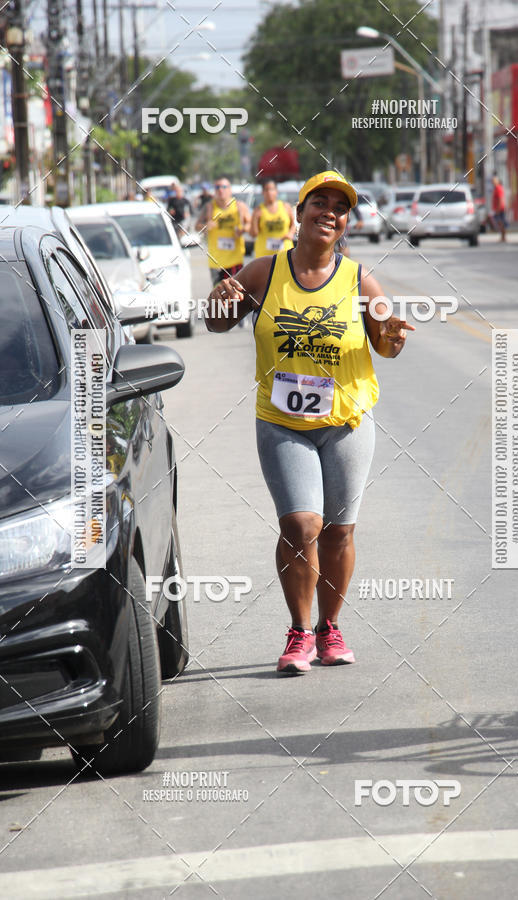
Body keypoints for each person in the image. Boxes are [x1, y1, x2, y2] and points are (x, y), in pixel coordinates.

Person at [204, 171, 414, 675]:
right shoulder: (263, 272)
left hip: (346, 421)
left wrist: (391, 335)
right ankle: (298, 632)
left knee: (339, 531)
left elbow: (386, 344)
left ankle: (329, 628)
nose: (328, 212)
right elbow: (215, 322)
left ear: (345, 224)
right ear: (298, 214)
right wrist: (217, 303)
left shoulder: (361, 279)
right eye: (318, 202)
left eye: (339, 208)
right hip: (282, 422)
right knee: (302, 524)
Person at [196, 176, 251, 284]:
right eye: (217, 187)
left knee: (236, 296)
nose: (221, 190)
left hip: (235, 261)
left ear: (230, 189)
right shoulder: (209, 207)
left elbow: (249, 224)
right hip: (216, 262)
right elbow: (197, 226)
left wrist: (242, 230)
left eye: (224, 187)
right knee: (218, 296)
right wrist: (206, 226)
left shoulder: (239, 206)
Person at [251, 180, 296, 257]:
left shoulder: (285, 207)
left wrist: (291, 233)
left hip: (284, 252)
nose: (269, 192)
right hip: (264, 255)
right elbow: (254, 234)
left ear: (276, 191)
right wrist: (255, 220)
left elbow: (294, 224)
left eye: (272, 189)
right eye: (266, 190)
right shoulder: (258, 210)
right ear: (263, 192)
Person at [490, 173, 507, 242]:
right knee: (500, 223)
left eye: (494, 181)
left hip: (500, 209)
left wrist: (498, 209)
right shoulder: (496, 188)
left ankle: (503, 237)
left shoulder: (498, 188)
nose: (493, 183)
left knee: (501, 223)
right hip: (498, 208)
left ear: (497, 181)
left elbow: (500, 199)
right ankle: (502, 237)